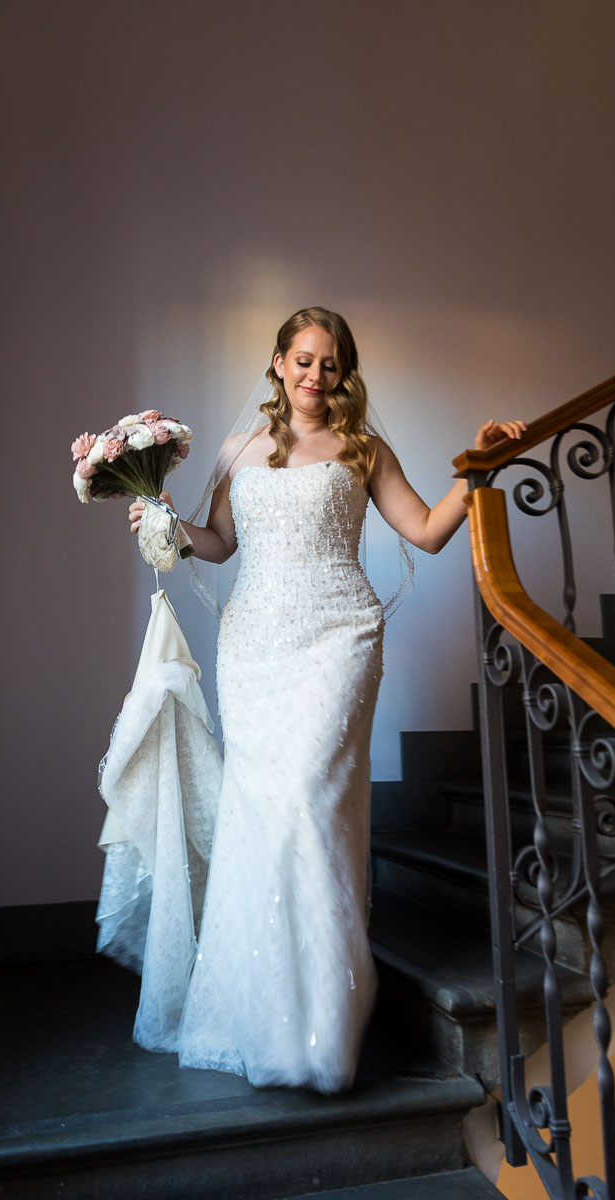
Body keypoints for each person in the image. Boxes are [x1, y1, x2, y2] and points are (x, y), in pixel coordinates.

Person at [126, 306, 525, 1093]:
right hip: (254, 646)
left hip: (338, 637)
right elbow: (217, 542)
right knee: (265, 813)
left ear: (344, 373)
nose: (316, 375)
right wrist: (164, 523)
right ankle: (267, 1014)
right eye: (303, 360)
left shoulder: (364, 448)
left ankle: (325, 1025)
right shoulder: (240, 450)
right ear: (277, 364)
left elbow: (428, 532)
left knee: (312, 799)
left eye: (331, 364)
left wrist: (476, 472)